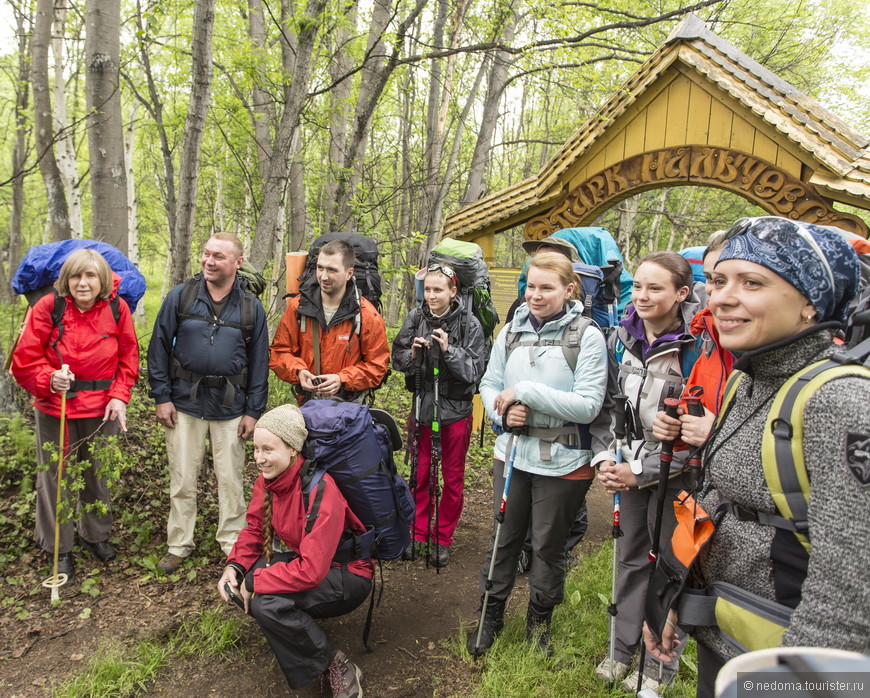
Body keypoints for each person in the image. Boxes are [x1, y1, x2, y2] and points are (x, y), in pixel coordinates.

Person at [642, 217, 870, 698]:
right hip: (725, 639)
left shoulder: (842, 403)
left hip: (789, 668)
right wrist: (679, 597)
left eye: (753, 282)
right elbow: (715, 503)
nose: (722, 297)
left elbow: (851, 586)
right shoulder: (749, 380)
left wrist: (802, 683)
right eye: (719, 280)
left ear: (811, 301)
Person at [467, 251, 608, 656]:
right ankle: (489, 616)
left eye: (547, 287)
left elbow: (587, 406)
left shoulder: (588, 336)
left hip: (564, 461)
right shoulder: (510, 331)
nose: (536, 294)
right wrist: (504, 409)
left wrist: (525, 392)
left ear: (569, 289)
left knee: (548, 545)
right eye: (531, 286)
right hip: (511, 453)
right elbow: (490, 383)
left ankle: (538, 626)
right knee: (503, 539)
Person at [590, 251, 700, 693]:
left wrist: (641, 471)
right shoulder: (622, 337)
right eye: (637, 286)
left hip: (682, 475)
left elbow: (700, 437)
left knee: (673, 565)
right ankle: (621, 650)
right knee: (630, 556)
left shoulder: (700, 346)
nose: (642, 296)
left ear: (682, 293)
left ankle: (659, 669)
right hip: (632, 466)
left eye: (655, 288)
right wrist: (608, 459)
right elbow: (610, 407)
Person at [217, 404, 371, 698]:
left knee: (266, 602)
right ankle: (298, 633)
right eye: (256, 449)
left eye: (268, 450)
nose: (260, 458)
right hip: (315, 565)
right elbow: (254, 528)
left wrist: (255, 582)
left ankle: (337, 664)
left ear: (292, 449)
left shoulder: (319, 490)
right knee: (253, 579)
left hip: (348, 575)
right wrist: (235, 568)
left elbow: (312, 571)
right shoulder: (270, 482)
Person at [11, 248, 139, 584]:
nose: (83, 283)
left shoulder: (117, 308)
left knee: (98, 473)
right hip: (57, 407)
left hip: (102, 409)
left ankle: (95, 535)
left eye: (90, 276)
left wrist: (119, 396)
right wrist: (49, 378)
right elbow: (23, 360)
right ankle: (59, 546)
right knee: (57, 477)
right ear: (66, 280)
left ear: (103, 281)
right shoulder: (48, 308)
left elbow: (128, 358)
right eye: (76, 276)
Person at [147, 233, 269, 573]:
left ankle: (233, 544)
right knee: (183, 478)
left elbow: (260, 362)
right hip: (184, 402)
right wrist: (162, 396)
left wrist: (253, 410)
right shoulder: (181, 296)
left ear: (237, 263)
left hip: (230, 407)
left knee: (230, 480)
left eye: (218, 256)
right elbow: (158, 347)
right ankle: (179, 544)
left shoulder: (249, 306)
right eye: (206, 254)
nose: (209, 261)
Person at [392, 263, 486, 567]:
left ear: (452, 291)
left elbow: (475, 370)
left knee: (453, 478)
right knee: (420, 474)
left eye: (438, 290)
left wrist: (449, 350)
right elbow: (397, 356)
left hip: (456, 412)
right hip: (422, 407)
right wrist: (414, 355)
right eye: (428, 289)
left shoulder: (469, 324)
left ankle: (442, 538)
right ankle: (417, 533)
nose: (431, 296)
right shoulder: (415, 317)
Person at [270, 239, 390, 404]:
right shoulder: (298, 307)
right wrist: (299, 371)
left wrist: (342, 379)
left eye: (332, 270)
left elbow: (377, 367)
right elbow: (280, 352)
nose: (324, 276)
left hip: (349, 408)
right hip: (308, 405)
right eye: (320, 268)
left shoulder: (367, 315)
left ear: (349, 273)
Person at [652, 231, 733, 448]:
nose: (712, 290)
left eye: (750, 282)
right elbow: (698, 411)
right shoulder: (710, 337)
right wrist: (676, 429)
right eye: (711, 279)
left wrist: (717, 433)